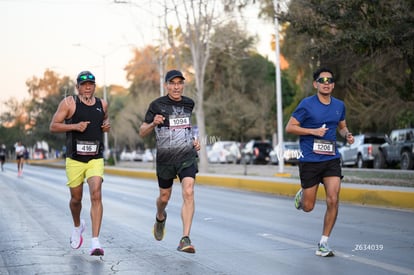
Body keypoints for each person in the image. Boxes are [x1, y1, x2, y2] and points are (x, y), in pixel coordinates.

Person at [285, 67, 354, 257]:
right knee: (309, 207)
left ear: (333, 85)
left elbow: (341, 126)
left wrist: (347, 134)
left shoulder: (339, 105)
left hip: (331, 158)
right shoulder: (307, 104)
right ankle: (302, 197)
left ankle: (323, 242)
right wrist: (313, 131)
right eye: (322, 81)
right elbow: (290, 127)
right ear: (316, 84)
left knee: (333, 198)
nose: (326, 84)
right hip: (310, 159)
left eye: (329, 81)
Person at [49, 70, 110, 256]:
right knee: (76, 200)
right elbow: (53, 126)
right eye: (83, 84)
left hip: (95, 158)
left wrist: (106, 126)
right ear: (77, 87)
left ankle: (95, 241)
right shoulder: (69, 103)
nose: (87, 87)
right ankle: (78, 226)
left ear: (94, 86)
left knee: (96, 194)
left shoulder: (102, 104)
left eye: (90, 84)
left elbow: (104, 121)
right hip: (75, 159)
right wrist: (74, 126)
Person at [139, 69, 201, 253]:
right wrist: (153, 123)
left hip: (186, 155)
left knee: (188, 191)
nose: (176, 87)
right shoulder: (156, 105)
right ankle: (160, 216)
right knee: (164, 197)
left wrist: (194, 140)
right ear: (167, 85)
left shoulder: (189, 103)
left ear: (183, 85)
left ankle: (185, 238)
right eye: (172, 83)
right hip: (165, 159)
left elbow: (186, 127)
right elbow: (142, 131)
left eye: (179, 83)